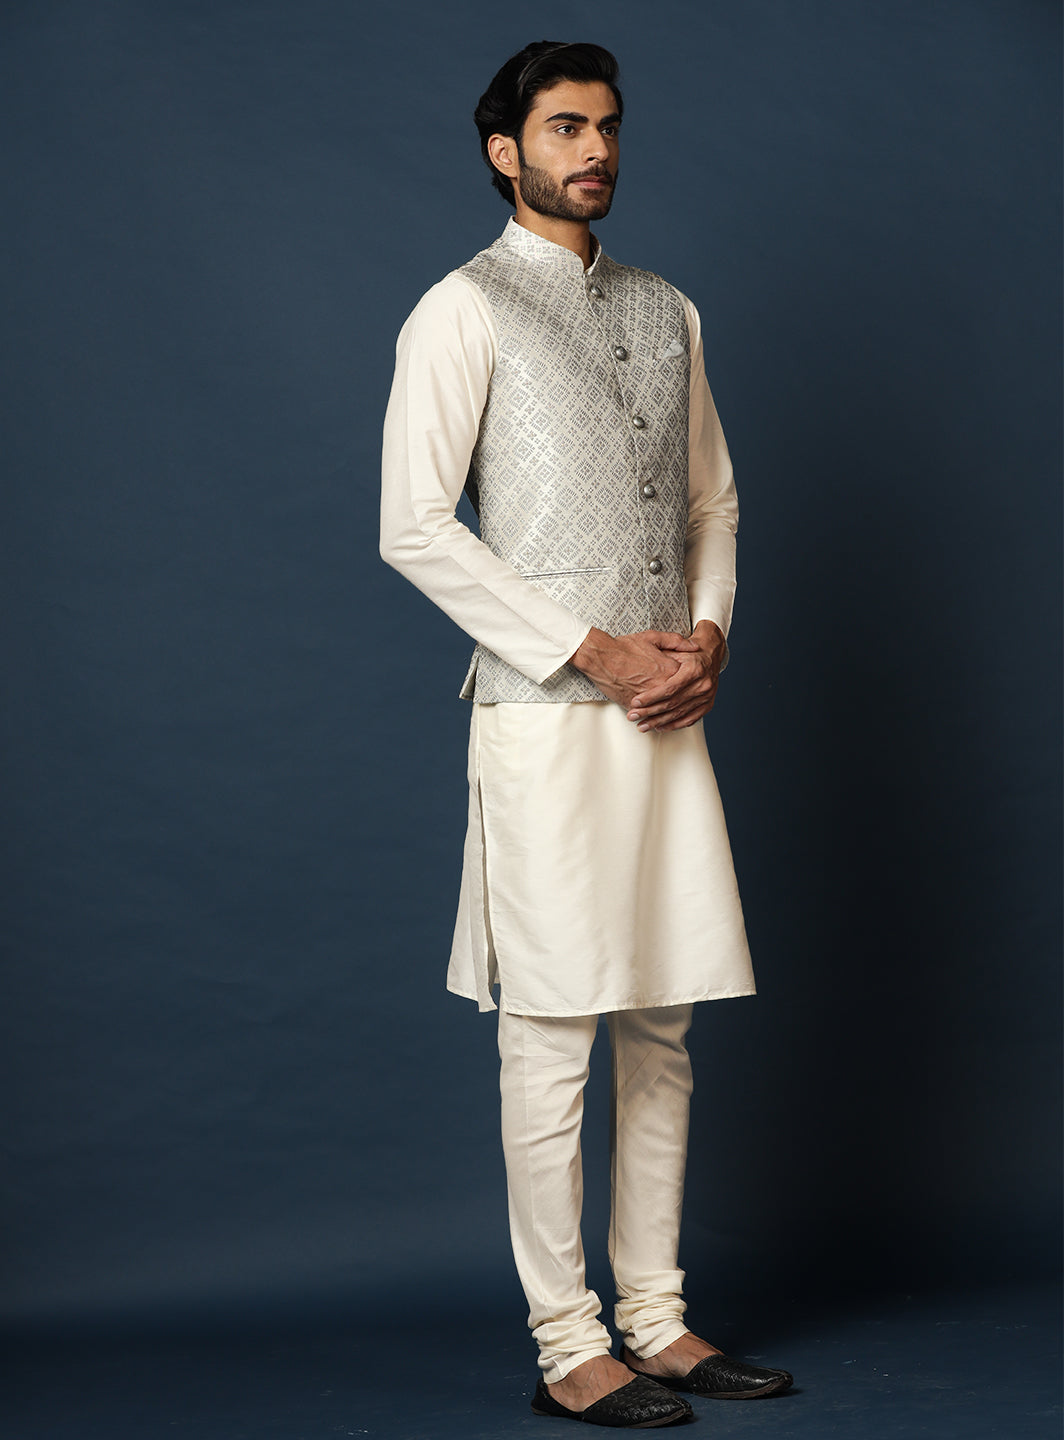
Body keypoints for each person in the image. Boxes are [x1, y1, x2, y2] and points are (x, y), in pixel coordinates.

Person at [380, 40, 793, 1429]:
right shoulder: (462, 308)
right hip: (547, 721)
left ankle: (658, 1320)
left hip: (666, 711)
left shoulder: (667, 309)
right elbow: (413, 527)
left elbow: (711, 501)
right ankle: (571, 1343)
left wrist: (707, 639)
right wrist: (595, 650)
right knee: (553, 1035)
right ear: (506, 151)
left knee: (661, 1022)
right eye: (565, 127)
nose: (595, 149)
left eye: (607, 126)